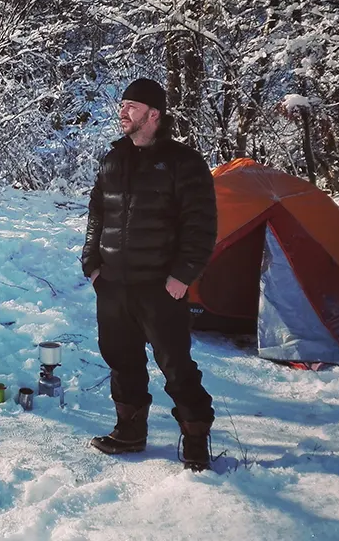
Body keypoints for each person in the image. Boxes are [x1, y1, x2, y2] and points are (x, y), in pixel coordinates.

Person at [81, 78, 218, 471]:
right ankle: (129, 432)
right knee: (121, 360)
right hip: (113, 285)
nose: (122, 112)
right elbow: (97, 215)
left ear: (153, 114)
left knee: (176, 365)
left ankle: (195, 440)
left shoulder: (184, 163)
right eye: (122, 104)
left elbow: (201, 226)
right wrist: (91, 265)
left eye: (131, 106)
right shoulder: (114, 159)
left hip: (161, 288)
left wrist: (183, 275)